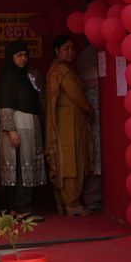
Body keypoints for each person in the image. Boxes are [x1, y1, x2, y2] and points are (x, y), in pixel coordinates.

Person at [44, 35, 93, 216]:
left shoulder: (54, 69)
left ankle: (62, 204)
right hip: (68, 124)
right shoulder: (63, 71)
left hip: (64, 122)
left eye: (72, 48)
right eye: (66, 49)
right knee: (71, 161)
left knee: (62, 161)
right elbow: (77, 95)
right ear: (57, 51)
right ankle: (72, 204)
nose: (70, 52)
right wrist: (89, 108)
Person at [0, 39, 46, 218]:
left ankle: (19, 208)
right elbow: (5, 104)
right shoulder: (8, 76)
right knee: (19, 168)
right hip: (17, 127)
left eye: (25, 55)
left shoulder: (26, 75)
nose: (23, 59)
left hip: (28, 127)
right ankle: (22, 209)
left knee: (24, 167)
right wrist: (11, 130)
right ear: (11, 57)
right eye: (19, 55)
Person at [75, 43, 102, 212]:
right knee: (94, 156)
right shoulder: (87, 56)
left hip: (98, 117)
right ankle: (91, 198)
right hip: (90, 116)